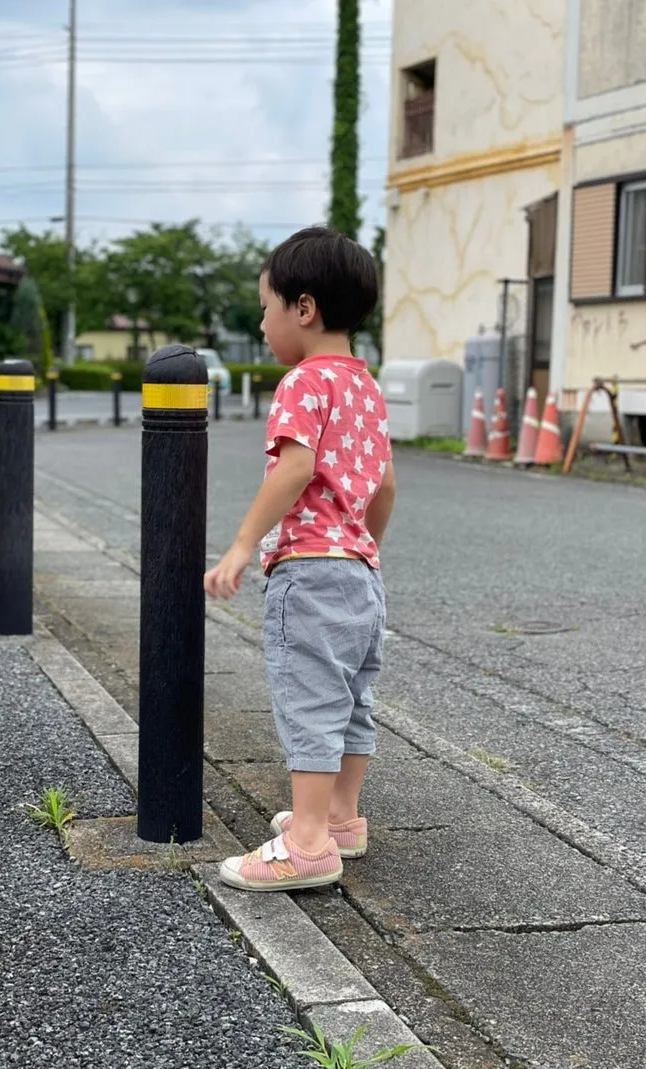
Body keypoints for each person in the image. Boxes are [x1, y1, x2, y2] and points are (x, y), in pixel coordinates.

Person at [204, 226, 396, 892]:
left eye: (267, 308)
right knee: (350, 698)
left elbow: (296, 467)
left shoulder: (302, 383)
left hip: (311, 571)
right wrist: (360, 545)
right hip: (361, 573)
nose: (262, 323)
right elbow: (386, 485)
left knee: (310, 698)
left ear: (304, 308)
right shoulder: (366, 388)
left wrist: (240, 542)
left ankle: (308, 841)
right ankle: (341, 818)